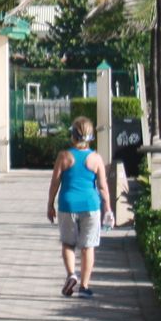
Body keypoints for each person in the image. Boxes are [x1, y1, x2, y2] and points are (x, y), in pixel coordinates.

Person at [47, 117, 114, 297]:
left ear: (73, 135)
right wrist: (108, 207)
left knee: (68, 244)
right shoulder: (96, 158)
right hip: (91, 205)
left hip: (67, 204)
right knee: (88, 246)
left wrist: (50, 204)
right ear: (91, 136)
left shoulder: (64, 156)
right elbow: (102, 186)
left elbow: (55, 183)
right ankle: (84, 286)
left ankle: (71, 274)